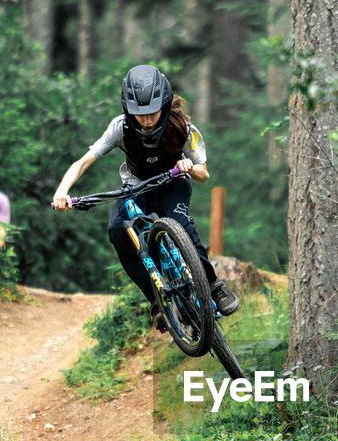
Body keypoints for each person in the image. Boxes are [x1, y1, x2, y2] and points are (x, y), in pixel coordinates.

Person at [51, 64, 239, 332]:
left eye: (152, 113)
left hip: (171, 184)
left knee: (182, 225)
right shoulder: (120, 128)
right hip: (135, 189)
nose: (147, 120)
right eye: (140, 115)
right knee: (118, 232)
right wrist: (62, 191)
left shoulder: (184, 128)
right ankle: (157, 301)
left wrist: (188, 166)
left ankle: (214, 286)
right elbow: (82, 162)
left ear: (163, 105)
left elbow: (204, 173)